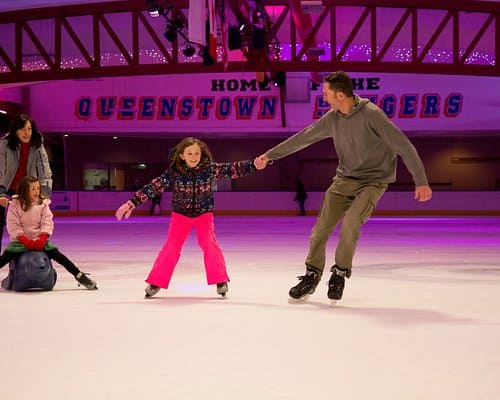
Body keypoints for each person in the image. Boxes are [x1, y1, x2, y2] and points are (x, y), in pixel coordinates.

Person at [255, 71, 432, 303]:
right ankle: (312, 275)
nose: (324, 96)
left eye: (327, 93)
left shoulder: (372, 115)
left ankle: (339, 272)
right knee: (321, 229)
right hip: (344, 180)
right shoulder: (333, 118)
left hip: (373, 181)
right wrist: (270, 155)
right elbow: (304, 137)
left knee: (351, 222)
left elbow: (404, 146)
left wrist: (421, 180)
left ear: (340, 95)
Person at [115, 137, 264, 299]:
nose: (194, 156)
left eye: (197, 153)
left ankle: (220, 280)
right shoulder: (174, 172)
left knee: (209, 243)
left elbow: (232, 169)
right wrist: (131, 203)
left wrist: (253, 165)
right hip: (180, 215)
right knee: (171, 247)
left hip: (203, 215)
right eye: (190, 153)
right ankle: (156, 281)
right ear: (181, 156)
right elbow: (153, 187)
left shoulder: (208, 169)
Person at [0, 176, 97, 290]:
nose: (37, 191)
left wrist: (42, 238)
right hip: (19, 242)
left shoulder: (43, 204)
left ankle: (79, 275)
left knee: (60, 257)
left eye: (38, 188)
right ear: (25, 190)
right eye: (33, 189)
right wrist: (24, 240)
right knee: (5, 258)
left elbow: (47, 222)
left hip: (40, 241)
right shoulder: (15, 205)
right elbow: (13, 225)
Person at [0, 114, 52, 252]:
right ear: (15, 130)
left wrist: (45, 191)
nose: (26, 132)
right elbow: (1, 169)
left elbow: (44, 168)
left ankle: (32, 254)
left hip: (26, 188)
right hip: (6, 186)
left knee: (32, 220)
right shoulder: (5, 144)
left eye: (29, 129)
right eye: (22, 129)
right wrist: (1, 193)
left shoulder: (37, 144)